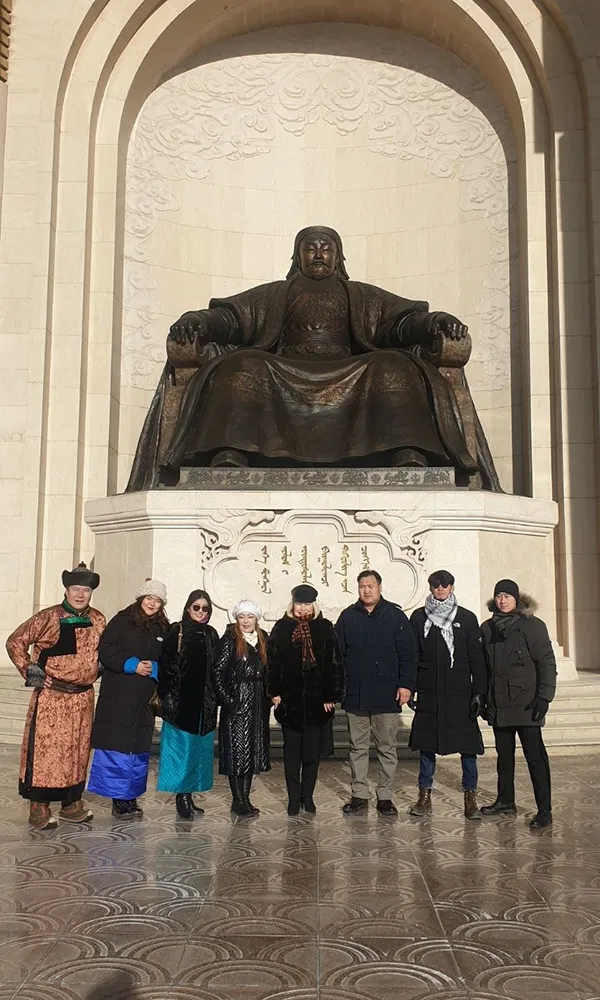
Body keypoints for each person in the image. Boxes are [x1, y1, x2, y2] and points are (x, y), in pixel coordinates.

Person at [127, 226, 501, 491]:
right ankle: (231, 452)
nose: (319, 253)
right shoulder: (275, 293)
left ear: (338, 257)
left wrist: (434, 321)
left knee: (393, 364)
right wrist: (197, 320)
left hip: (349, 366)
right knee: (244, 365)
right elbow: (231, 319)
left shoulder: (360, 294)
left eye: (326, 247)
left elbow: (401, 323)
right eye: (311, 248)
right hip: (283, 366)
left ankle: (406, 451)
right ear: (298, 256)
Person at [5, 562, 105, 830]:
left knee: (77, 752)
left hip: (83, 699)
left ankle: (71, 802)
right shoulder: (48, 617)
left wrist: (95, 671)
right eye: (76, 589)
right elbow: (15, 641)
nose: (80, 595)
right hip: (53, 699)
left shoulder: (98, 619)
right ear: (66, 590)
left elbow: (103, 652)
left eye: (85, 590)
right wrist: (32, 672)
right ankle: (39, 804)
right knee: (48, 752)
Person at [336, 570, 417, 816]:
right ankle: (359, 795)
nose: (367, 590)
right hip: (356, 693)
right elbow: (337, 655)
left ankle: (385, 796)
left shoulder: (395, 616)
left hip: (387, 693)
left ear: (380, 587)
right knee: (357, 747)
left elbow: (408, 654)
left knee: (386, 747)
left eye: (371, 586)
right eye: (362, 586)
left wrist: (406, 685)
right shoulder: (348, 616)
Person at [408, 570, 487, 821]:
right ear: (430, 588)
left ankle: (470, 797)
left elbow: (477, 658)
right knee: (427, 746)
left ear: (452, 587)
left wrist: (480, 692)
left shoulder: (466, 618)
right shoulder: (419, 617)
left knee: (467, 747)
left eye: (445, 584)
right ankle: (424, 796)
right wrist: (411, 687)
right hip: (430, 691)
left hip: (459, 693)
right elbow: (413, 655)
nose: (440, 589)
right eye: (436, 585)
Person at [88, 579, 169, 819]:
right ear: (141, 598)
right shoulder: (122, 620)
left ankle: (131, 797)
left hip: (144, 700)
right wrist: (132, 664)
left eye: (157, 600)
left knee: (138, 750)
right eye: (149, 598)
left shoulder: (163, 627)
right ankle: (118, 800)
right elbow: (106, 649)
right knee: (118, 748)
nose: (152, 603)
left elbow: (170, 658)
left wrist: (155, 668)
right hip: (119, 695)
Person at [480, 579, 557, 829]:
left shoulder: (533, 626)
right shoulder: (488, 628)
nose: (502, 600)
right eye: (499, 596)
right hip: (499, 703)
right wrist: (482, 696)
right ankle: (505, 801)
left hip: (527, 704)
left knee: (535, 757)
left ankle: (544, 810)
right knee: (504, 757)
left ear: (516, 599)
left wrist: (544, 697)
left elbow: (546, 663)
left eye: (507, 596)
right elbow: (484, 668)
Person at [267, 584, 344, 815]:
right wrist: (274, 692)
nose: (303, 608)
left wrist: (331, 695)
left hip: (316, 702)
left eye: (307, 604)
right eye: (299, 603)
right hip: (289, 701)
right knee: (292, 755)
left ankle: (307, 797)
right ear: (292, 604)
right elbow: (272, 662)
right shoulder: (282, 628)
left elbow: (334, 663)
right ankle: (293, 799)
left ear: (314, 605)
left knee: (311, 754)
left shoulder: (325, 628)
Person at [156, 589, 219, 820]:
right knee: (181, 752)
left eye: (205, 608)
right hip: (181, 704)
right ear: (188, 608)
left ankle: (189, 796)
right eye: (196, 607)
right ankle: (181, 798)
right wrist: (168, 696)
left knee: (198, 753)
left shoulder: (211, 634)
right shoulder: (177, 630)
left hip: (204, 705)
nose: (201, 612)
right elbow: (165, 665)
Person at [213, 600, 271, 816]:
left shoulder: (262, 639)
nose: (246, 621)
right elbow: (218, 673)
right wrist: (228, 700)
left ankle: (245, 799)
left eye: (250, 617)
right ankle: (238, 800)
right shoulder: (229, 640)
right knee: (236, 752)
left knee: (250, 753)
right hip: (237, 700)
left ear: (256, 619)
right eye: (242, 617)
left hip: (257, 703)